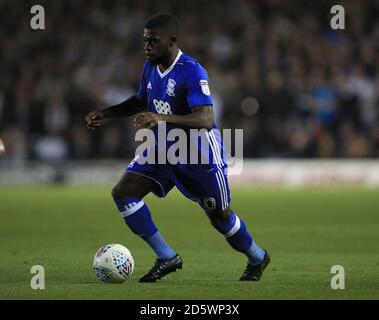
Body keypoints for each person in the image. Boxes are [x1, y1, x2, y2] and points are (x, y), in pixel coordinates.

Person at [85, 14, 270, 283]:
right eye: (145, 41)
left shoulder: (192, 71)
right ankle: (166, 256)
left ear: (172, 41)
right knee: (123, 193)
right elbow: (140, 100)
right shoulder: (150, 67)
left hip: (200, 157)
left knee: (219, 217)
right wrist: (107, 112)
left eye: (153, 41)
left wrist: (162, 118)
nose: (147, 47)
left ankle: (257, 256)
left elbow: (205, 118)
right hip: (163, 150)